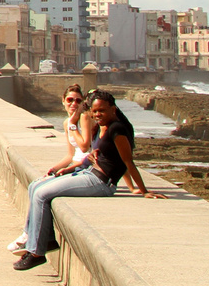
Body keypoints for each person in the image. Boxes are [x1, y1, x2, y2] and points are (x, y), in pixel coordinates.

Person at [13, 89, 163, 271]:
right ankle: (43, 240)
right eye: (95, 111)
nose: (98, 114)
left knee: (42, 194)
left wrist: (143, 191)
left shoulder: (118, 129)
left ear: (113, 109)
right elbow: (95, 154)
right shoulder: (102, 127)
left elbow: (128, 162)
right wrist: (69, 168)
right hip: (89, 173)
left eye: (102, 111)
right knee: (35, 186)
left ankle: (36, 252)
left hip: (101, 183)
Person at [10, 85, 95, 252]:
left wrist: (72, 125)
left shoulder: (83, 118)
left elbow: (85, 148)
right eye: (70, 100)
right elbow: (70, 155)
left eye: (78, 100)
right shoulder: (67, 122)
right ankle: (30, 234)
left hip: (84, 169)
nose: (73, 104)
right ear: (63, 101)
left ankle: (33, 238)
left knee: (42, 192)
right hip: (75, 167)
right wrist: (54, 168)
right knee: (35, 184)